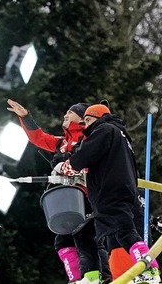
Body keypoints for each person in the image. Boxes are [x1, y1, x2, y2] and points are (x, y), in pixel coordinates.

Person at [55, 102, 161, 283]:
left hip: (110, 192)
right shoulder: (118, 134)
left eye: (88, 120)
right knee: (84, 232)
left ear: (98, 117)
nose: (85, 125)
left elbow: (84, 156)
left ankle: (150, 270)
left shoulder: (104, 130)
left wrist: (65, 167)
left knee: (125, 232)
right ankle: (92, 276)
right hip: (116, 191)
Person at [7, 99, 108, 283]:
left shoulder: (88, 138)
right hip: (68, 198)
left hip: (87, 196)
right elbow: (39, 138)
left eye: (70, 112)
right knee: (63, 240)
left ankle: (99, 276)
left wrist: (70, 159)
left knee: (86, 236)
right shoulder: (62, 141)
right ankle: (77, 278)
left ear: (82, 118)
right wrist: (26, 117)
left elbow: (92, 162)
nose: (65, 115)